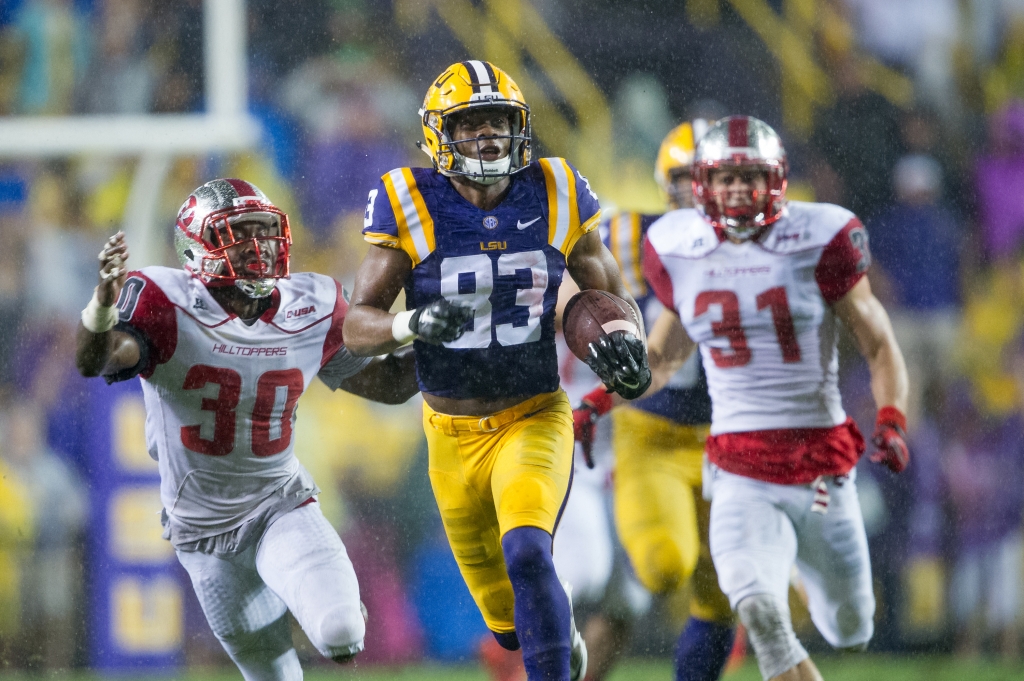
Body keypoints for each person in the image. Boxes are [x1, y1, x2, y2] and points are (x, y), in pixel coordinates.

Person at [342, 61, 651, 681]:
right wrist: (411, 325)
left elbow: (609, 295)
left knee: (530, 550)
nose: (488, 138)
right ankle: (553, 641)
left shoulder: (557, 188)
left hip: (533, 414)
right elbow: (357, 324)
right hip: (450, 433)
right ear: (439, 137)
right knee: (510, 624)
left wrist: (628, 340)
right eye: (471, 125)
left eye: (499, 123)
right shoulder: (409, 200)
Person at [74, 179, 419, 681]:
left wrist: (448, 342)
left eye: (265, 231)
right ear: (199, 247)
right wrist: (101, 307)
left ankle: (323, 604)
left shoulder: (314, 303)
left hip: (280, 503)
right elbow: (95, 360)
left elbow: (386, 385)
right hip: (202, 532)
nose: (258, 246)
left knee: (342, 634)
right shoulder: (165, 303)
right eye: (240, 233)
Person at [641, 116, 909, 681]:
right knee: (758, 609)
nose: (737, 190)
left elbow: (879, 341)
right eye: (724, 178)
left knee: (851, 628)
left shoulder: (822, 235)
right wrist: (597, 401)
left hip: (818, 475)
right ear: (702, 186)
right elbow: (662, 356)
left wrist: (891, 419)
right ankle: (768, 565)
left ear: (777, 181)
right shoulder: (678, 247)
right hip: (738, 466)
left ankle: (786, 557)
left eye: (750, 176)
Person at [572, 121, 736, 681]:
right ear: (667, 183)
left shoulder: (763, 246)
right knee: (662, 566)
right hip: (651, 427)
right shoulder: (627, 234)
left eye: (715, 176)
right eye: (690, 177)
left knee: (728, 590)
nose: (704, 190)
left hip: (731, 437)